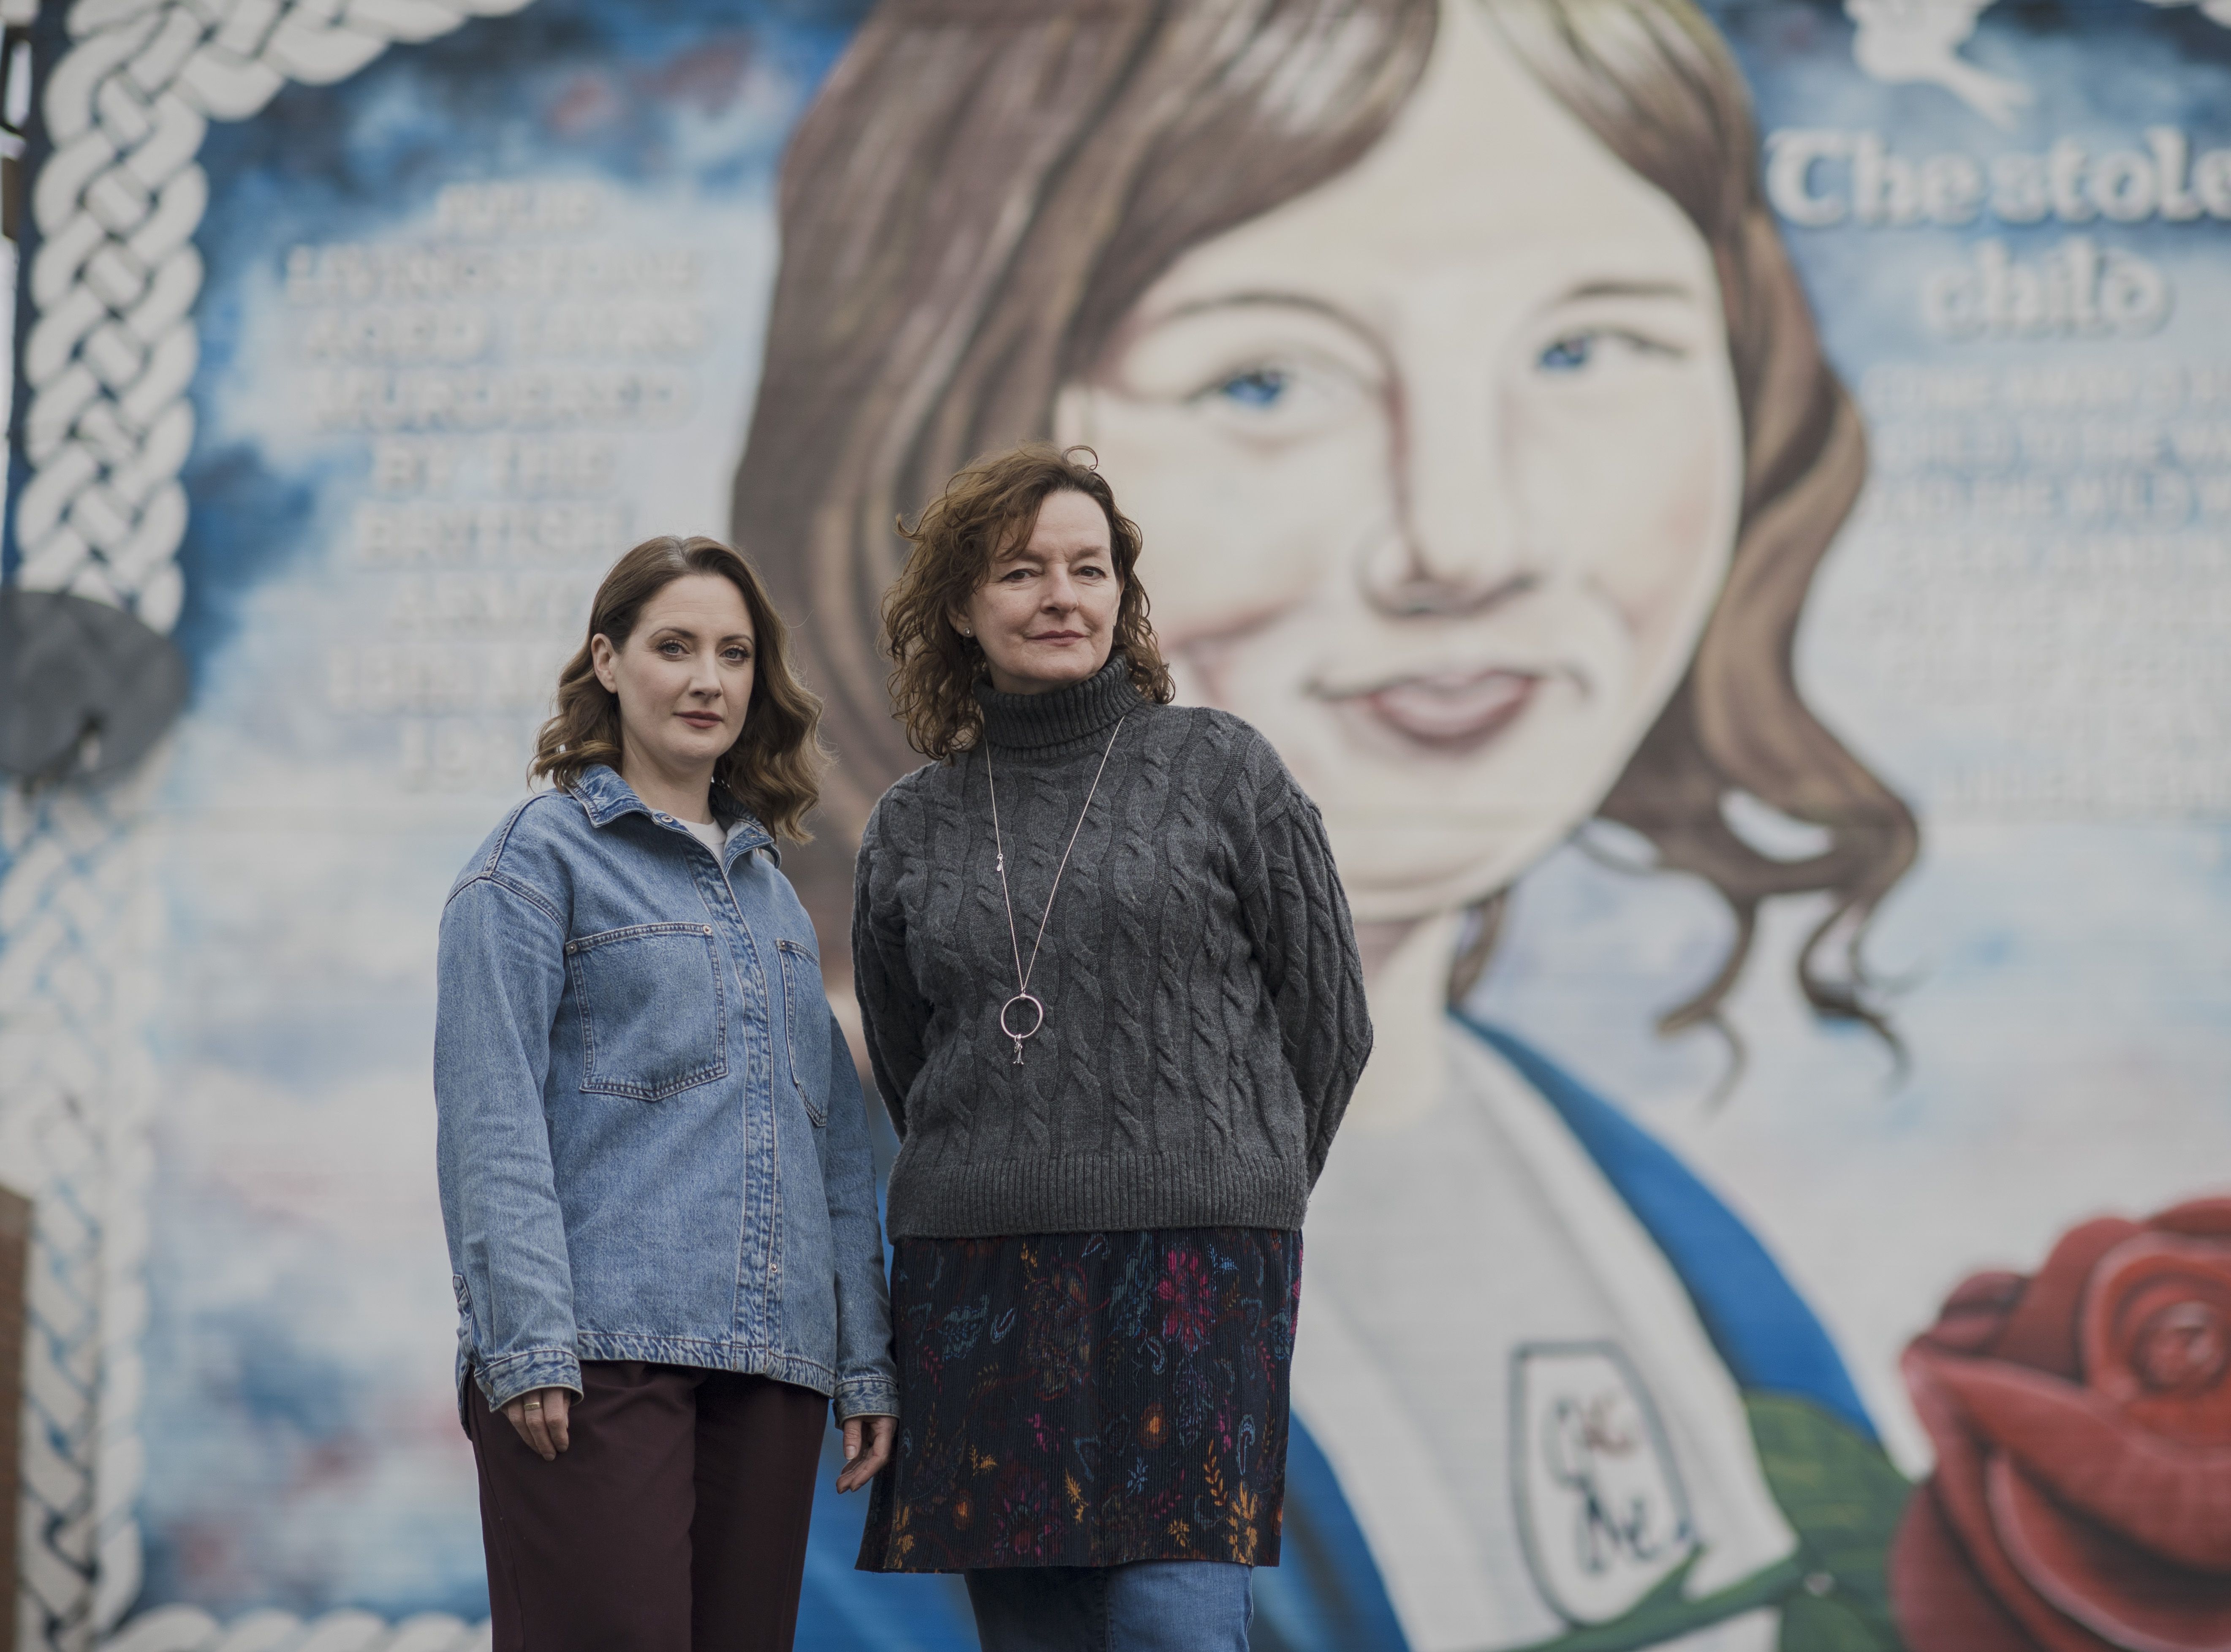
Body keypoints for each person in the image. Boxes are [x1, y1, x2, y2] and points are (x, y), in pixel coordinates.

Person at [735, 2, 1918, 1647]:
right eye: (1267, 377)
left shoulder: (1629, 1209)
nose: (1464, 537)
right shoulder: (802, 1288)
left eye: (1585, 350)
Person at [845, 442, 1372, 1652]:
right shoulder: (911, 825)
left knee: (1174, 1627)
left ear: (1122, 599)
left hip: (1194, 1277)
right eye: (1023, 572)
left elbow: (1330, 1021)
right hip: (977, 1285)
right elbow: (910, 1061)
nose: (1062, 597)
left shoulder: (1223, 770)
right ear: (962, 612)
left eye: (1089, 570)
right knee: (1037, 1639)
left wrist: (1236, 1183)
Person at [432, 534, 899, 1652]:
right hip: (598, 1362)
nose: (708, 680)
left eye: (734, 654)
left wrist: (863, 1359)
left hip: (773, 1372)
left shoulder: (775, 901)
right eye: (675, 646)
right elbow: (490, 1122)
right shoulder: (532, 866)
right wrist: (526, 1344)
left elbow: (833, 1153)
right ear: (607, 660)